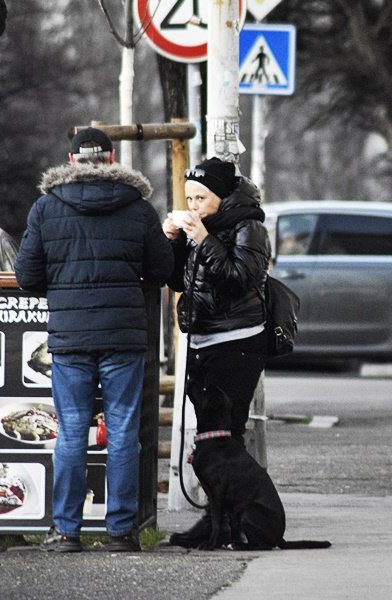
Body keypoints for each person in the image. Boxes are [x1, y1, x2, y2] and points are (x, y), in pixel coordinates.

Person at [14, 127, 174, 553]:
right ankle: (122, 531)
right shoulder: (138, 209)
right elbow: (161, 270)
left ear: (70, 159)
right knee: (122, 431)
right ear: (111, 157)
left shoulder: (46, 208)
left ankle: (66, 530)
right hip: (123, 337)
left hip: (70, 339)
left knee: (70, 433)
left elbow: (27, 276)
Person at [162, 157, 271, 549]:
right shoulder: (200, 228)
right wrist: (173, 241)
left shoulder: (249, 226)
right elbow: (177, 280)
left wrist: (204, 239)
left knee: (227, 433)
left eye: (201, 198)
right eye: (189, 198)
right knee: (209, 434)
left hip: (239, 339)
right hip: (203, 337)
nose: (193, 206)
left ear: (223, 197)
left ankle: (228, 520)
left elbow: (239, 280)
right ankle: (218, 519)